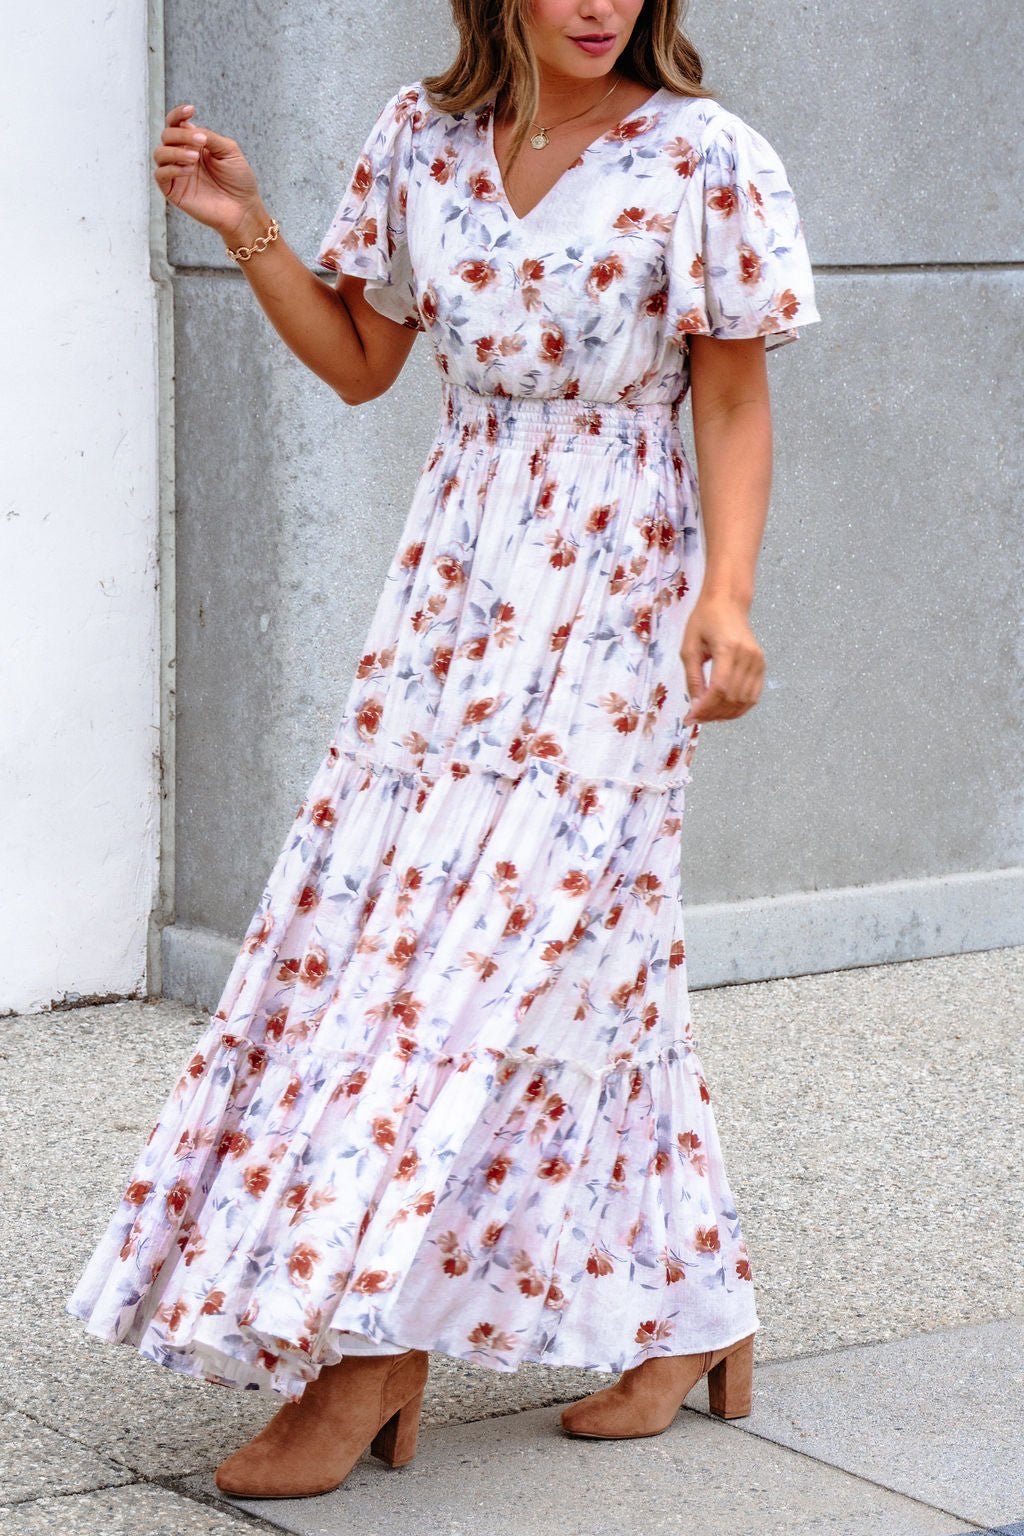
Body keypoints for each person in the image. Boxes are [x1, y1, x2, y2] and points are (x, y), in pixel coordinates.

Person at [68, 0, 821, 1502]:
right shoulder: (420, 141)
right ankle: (694, 1311)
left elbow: (732, 398)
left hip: (618, 593)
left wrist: (727, 600)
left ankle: (369, 1350)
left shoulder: (708, 157)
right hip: (451, 591)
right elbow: (360, 363)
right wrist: (246, 222)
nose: (599, 4)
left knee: (471, 960)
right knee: (576, 961)